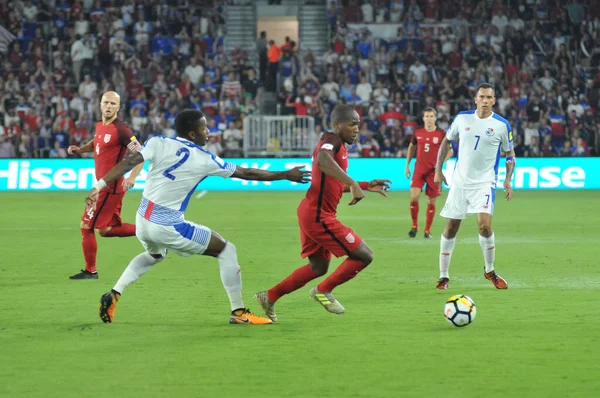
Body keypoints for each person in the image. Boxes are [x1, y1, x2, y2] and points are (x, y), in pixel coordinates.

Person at [84, 109, 310, 325]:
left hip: (143, 219)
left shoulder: (157, 141)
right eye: (204, 128)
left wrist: (99, 185)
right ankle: (239, 312)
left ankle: (114, 294)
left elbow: (128, 162)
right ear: (192, 133)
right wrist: (285, 174)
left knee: (155, 254)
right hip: (167, 224)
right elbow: (247, 173)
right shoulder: (205, 158)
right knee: (225, 249)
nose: (208, 132)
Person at [254, 104, 391, 321]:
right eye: (352, 124)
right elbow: (322, 160)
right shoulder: (332, 141)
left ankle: (269, 296)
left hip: (310, 212)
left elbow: (333, 183)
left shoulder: (339, 146)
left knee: (318, 267)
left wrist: (364, 185)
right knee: (364, 255)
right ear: (337, 125)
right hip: (319, 216)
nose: (357, 128)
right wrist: (353, 182)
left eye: (358, 124)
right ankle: (323, 291)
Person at [434, 83, 516, 290]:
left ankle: (490, 271)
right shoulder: (462, 118)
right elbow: (446, 141)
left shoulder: (502, 125)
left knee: (484, 225)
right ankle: (443, 276)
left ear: (494, 100)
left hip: (485, 183)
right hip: (460, 182)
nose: (486, 101)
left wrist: (508, 179)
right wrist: (438, 169)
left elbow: (510, 154)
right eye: (482, 97)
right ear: (476, 99)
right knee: (451, 227)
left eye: (490, 97)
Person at [68, 91, 143, 280]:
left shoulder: (122, 130)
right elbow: (96, 143)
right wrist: (80, 150)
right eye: (105, 103)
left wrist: (133, 176)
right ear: (100, 104)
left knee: (86, 226)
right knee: (105, 229)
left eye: (112, 103)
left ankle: (90, 271)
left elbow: (141, 155)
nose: (108, 106)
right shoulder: (100, 125)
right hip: (105, 185)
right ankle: (150, 231)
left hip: (109, 187)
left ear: (118, 107)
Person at [404, 107, 453, 238]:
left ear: (435, 118)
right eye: (427, 116)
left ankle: (427, 230)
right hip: (419, 169)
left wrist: (441, 162)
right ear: (423, 118)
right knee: (414, 197)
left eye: (432, 116)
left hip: (434, 172)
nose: (429, 119)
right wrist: (407, 165)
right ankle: (414, 226)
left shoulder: (441, 133)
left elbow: (451, 151)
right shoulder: (418, 132)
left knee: (431, 201)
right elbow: (411, 147)